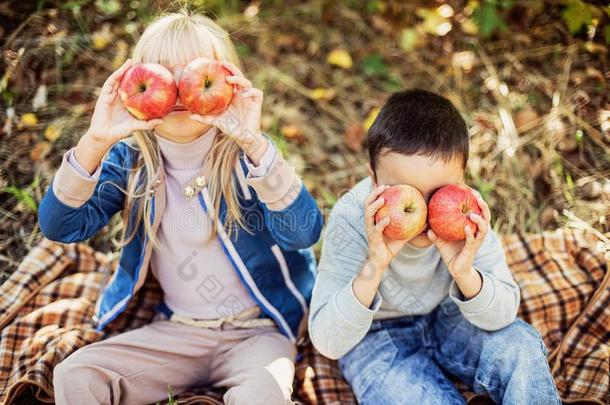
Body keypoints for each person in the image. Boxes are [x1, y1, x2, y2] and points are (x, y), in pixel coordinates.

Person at [39, 10, 322, 405]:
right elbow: (60, 226)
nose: (177, 88)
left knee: (264, 398)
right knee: (77, 374)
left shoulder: (246, 158)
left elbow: (304, 231)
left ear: (228, 81)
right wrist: (94, 141)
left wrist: (255, 144)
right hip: (179, 331)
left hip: (258, 333)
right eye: (163, 75)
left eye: (194, 73)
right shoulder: (130, 161)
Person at [308, 89, 561, 404]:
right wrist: (373, 266)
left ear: (463, 179)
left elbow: (503, 315)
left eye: (441, 191)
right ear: (373, 178)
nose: (426, 211)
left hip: (450, 314)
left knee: (521, 347)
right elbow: (328, 341)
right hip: (375, 336)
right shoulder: (351, 219)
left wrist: (466, 273)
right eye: (408, 191)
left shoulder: (466, 216)